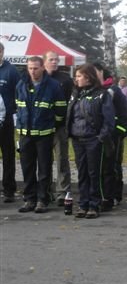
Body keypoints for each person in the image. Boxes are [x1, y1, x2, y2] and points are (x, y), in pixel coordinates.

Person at [15, 56, 66, 213]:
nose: (32, 71)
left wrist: (52, 124)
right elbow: (18, 106)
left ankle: (43, 200)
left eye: (36, 68)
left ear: (43, 68)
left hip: (44, 134)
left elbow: (60, 109)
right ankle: (29, 199)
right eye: (30, 68)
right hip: (26, 134)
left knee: (44, 169)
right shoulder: (21, 84)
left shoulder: (53, 86)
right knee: (27, 168)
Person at [66, 64, 115, 219]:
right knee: (82, 173)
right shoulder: (75, 94)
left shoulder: (101, 94)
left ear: (88, 77)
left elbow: (109, 119)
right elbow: (71, 115)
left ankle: (94, 204)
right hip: (77, 139)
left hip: (93, 139)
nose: (76, 79)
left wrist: (100, 137)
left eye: (79, 76)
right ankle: (83, 203)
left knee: (94, 173)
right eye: (76, 76)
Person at [94, 62, 127, 210]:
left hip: (114, 135)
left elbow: (124, 113)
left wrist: (119, 132)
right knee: (101, 166)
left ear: (102, 72)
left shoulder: (113, 90)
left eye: (95, 71)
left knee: (113, 165)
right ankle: (102, 194)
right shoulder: (94, 90)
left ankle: (114, 195)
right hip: (98, 134)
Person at [43, 51, 74, 206]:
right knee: (44, 161)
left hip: (60, 127)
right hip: (42, 127)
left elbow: (70, 103)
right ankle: (45, 191)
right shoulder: (39, 78)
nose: (54, 62)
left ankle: (63, 192)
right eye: (51, 59)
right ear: (44, 62)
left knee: (62, 160)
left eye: (56, 60)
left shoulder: (65, 79)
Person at [0, 42, 21, 203]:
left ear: (2, 52)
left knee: (8, 155)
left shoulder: (11, 71)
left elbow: (19, 92)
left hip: (6, 119)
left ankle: (9, 190)